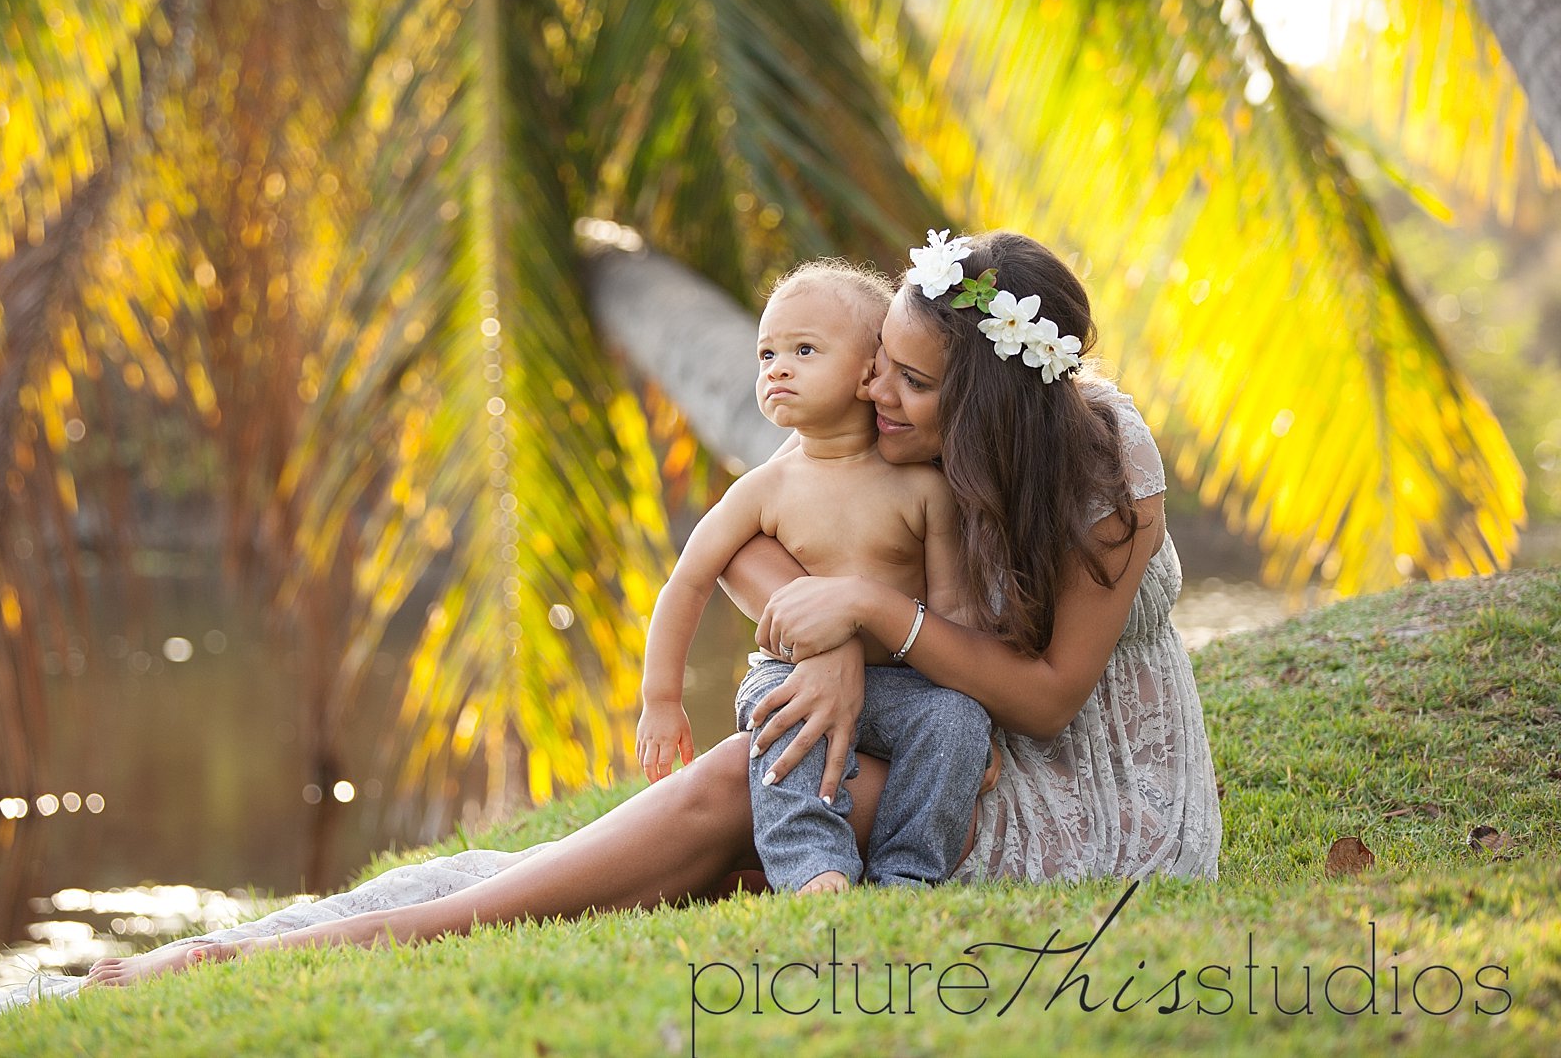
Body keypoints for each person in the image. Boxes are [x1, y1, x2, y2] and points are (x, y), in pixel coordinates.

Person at [76, 229, 1219, 992]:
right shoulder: (887, 428)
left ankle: (357, 943)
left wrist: (866, 619)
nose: (874, 387)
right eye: (882, 363)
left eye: (909, 380)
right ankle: (365, 925)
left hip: (1087, 808)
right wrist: (831, 645)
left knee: (742, 774)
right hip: (946, 746)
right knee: (765, 767)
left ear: (989, 403)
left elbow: (1049, 696)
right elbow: (746, 539)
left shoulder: (1101, 464)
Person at [635, 259, 989, 895]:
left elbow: (953, 613)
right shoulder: (764, 489)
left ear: (868, 373)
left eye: (804, 350)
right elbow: (686, 583)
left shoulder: (923, 487)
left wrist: (974, 725)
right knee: (787, 727)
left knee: (956, 718)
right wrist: (661, 699)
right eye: (766, 352)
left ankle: (908, 870)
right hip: (788, 671)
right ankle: (810, 867)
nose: (777, 367)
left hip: (900, 683)